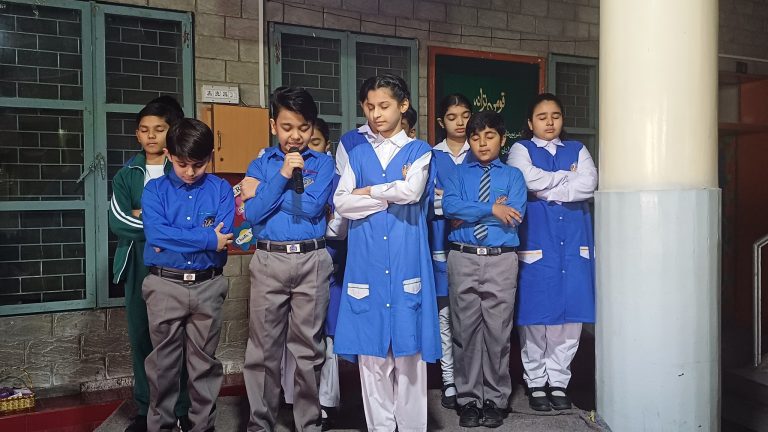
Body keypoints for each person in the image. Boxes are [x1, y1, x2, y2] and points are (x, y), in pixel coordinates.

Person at [333, 74, 441, 432]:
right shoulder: (357, 153)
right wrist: (386, 195)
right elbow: (342, 203)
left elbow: (411, 193)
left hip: (407, 260)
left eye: (384, 106)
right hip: (366, 264)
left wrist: (367, 192)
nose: (376, 114)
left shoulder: (419, 151)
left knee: (410, 359)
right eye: (369, 107)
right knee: (372, 359)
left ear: (403, 105)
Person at [240, 86, 335, 432]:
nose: (296, 136)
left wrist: (266, 191)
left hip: (312, 260)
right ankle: (260, 424)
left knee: (308, 350)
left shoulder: (324, 164)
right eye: (287, 127)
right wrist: (282, 176)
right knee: (263, 351)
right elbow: (252, 215)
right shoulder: (260, 163)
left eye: (304, 127)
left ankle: (308, 424)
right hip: (269, 260)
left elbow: (311, 207)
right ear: (273, 125)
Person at [506, 93, 598, 411]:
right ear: (530, 122)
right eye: (542, 117)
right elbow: (525, 178)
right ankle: (535, 382)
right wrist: (568, 178)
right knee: (535, 316)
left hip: (573, 242)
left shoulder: (577, 149)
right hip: (537, 240)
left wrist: (546, 189)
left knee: (570, 317)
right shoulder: (521, 149)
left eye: (555, 116)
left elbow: (589, 184)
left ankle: (558, 381)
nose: (549, 122)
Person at [141, 118, 235, 432]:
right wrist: (208, 238)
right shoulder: (155, 190)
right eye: (182, 164)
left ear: (210, 157)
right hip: (164, 284)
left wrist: (175, 238)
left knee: (204, 365)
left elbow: (226, 236)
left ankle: (202, 427)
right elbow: (156, 235)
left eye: (199, 164)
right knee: (163, 366)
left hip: (208, 285)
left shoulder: (221, 189)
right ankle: (162, 427)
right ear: (169, 155)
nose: (191, 172)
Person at [108, 96, 192, 432]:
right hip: (137, 263)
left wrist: (147, 217)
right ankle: (145, 409)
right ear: (137, 134)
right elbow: (118, 221)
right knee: (142, 336)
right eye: (144, 130)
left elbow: (188, 218)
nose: (151, 136)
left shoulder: (182, 169)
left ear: (172, 132)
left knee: (177, 338)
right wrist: (164, 225)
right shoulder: (127, 174)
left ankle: (181, 408)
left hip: (175, 263)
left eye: (159, 129)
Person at [442, 111, 526, 428]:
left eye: (489, 136)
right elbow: (450, 206)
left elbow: (514, 214)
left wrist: (470, 213)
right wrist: (493, 208)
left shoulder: (514, 176)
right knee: (464, 332)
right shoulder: (457, 174)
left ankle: (494, 399)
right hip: (463, 257)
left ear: (502, 140)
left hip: (501, 259)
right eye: (475, 137)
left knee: (497, 333)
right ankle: (468, 400)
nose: (482, 143)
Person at [279, 116, 342, 429]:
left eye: (315, 142)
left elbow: (335, 218)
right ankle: (292, 397)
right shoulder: (282, 169)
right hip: (291, 258)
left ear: (326, 146)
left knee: (322, 335)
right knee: (292, 333)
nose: (306, 148)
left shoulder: (332, 175)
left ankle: (324, 401)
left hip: (327, 257)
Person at [429, 93, 473, 410]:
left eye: (466, 115)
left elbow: (490, 202)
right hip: (439, 243)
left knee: (469, 318)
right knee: (444, 317)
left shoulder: (480, 152)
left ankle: (469, 380)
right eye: (452, 116)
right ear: (441, 121)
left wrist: (450, 201)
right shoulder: (431, 156)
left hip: (473, 243)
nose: (460, 122)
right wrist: (463, 205)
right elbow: (426, 203)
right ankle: (449, 380)